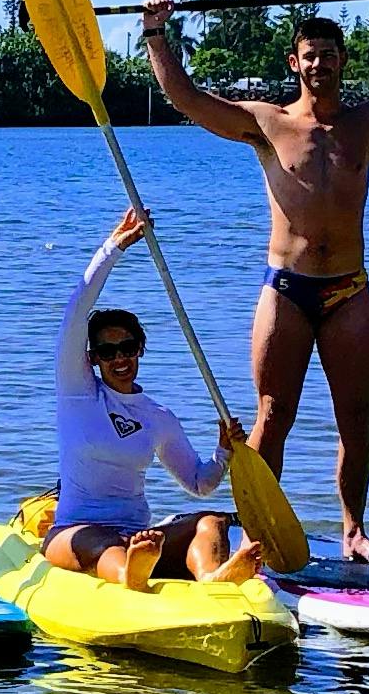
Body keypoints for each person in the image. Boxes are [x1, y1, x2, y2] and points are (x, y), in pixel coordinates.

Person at [137, 0, 369, 562]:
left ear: (342, 61)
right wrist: (156, 32)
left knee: (357, 419)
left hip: (349, 290)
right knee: (272, 416)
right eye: (310, 55)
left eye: (329, 54)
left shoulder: (368, 122)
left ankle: (354, 531)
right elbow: (189, 99)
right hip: (287, 290)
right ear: (294, 63)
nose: (319, 63)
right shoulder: (267, 122)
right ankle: (256, 535)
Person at [45, 209, 260, 589]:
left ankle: (213, 576)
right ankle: (130, 574)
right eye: (107, 352)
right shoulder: (78, 394)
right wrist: (113, 248)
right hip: (76, 530)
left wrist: (224, 451)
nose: (119, 358)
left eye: (127, 348)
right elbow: (75, 313)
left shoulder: (158, 417)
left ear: (140, 349)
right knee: (101, 543)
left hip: (137, 535)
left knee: (211, 521)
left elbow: (198, 482)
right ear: (92, 358)